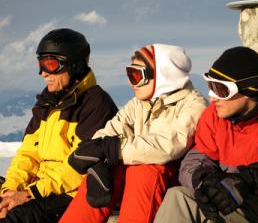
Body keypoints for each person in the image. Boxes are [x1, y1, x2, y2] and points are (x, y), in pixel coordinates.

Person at [59, 43, 208, 223]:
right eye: (130, 73)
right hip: (138, 181)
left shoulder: (194, 105)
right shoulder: (139, 103)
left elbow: (168, 146)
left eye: (136, 75)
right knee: (105, 172)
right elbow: (113, 129)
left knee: (145, 170)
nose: (131, 82)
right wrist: (97, 157)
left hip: (172, 178)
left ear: (163, 75)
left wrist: (113, 149)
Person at [154, 46, 258, 223]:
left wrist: (248, 180)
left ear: (249, 91)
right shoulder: (214, 115)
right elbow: (195, 158)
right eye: (210, 86)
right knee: (179, 196)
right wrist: (205, 181)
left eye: (221, 89)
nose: (212, 97)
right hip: (233, 206)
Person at [0, 28, 118, 223]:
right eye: (41, 64)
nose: (43, 73)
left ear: (74, 65)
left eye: (51, 64)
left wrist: (29, 194)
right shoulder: (47, 103)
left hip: (71, 193)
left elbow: (77, 168)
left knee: (16, 218)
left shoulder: (96, 104)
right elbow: (27, 154)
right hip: (40, 188)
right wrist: (8, 192)